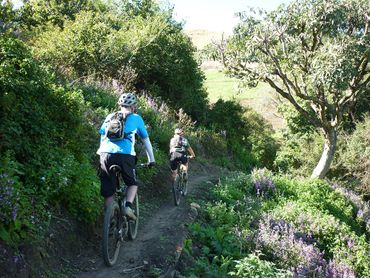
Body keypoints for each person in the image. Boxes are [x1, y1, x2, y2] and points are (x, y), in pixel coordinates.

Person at [97, 92, 155, 220]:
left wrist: (101, 153)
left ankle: (109, 220)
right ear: (134, 106)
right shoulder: (136, 118)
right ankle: (127, 207)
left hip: (105, 155)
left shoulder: (110, 116)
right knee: (132, 183)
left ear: (119, 104)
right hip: (125, 156)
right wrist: (152, 159)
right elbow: (146, 141)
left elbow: (102, 135)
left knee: (109, 192)